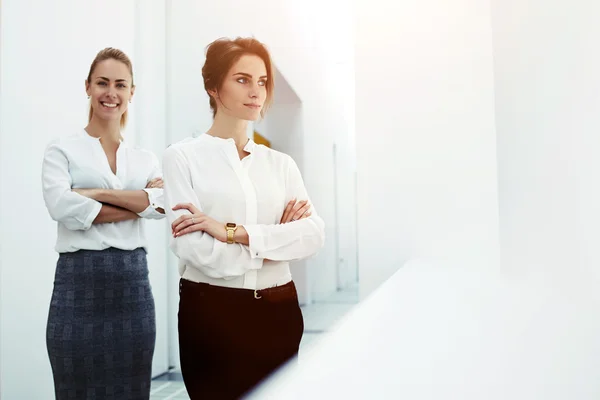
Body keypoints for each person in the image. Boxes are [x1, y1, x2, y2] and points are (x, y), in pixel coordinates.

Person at [162, 36, 326, 399]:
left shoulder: (281, 165)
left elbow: (313, 235)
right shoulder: (181, 158)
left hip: (279, 313)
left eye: (262, 81)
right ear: (213, 87)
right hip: (211, 315)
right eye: (242, 79)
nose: (256, 91)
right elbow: (194, 250)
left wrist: (231, 232)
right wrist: (276, 243)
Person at [42, 47, 165, 400]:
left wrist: (91, 193)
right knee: (74, 390)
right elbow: (62, 207)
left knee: (133, 391)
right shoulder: (61, 149)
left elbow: (161, 206)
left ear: (131, 92)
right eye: (102, 83)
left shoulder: (145, 158)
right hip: (77, 287)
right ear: (87, 87)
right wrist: (138, 201)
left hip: (132, 289)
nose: (111, 93)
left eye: (120, 85)